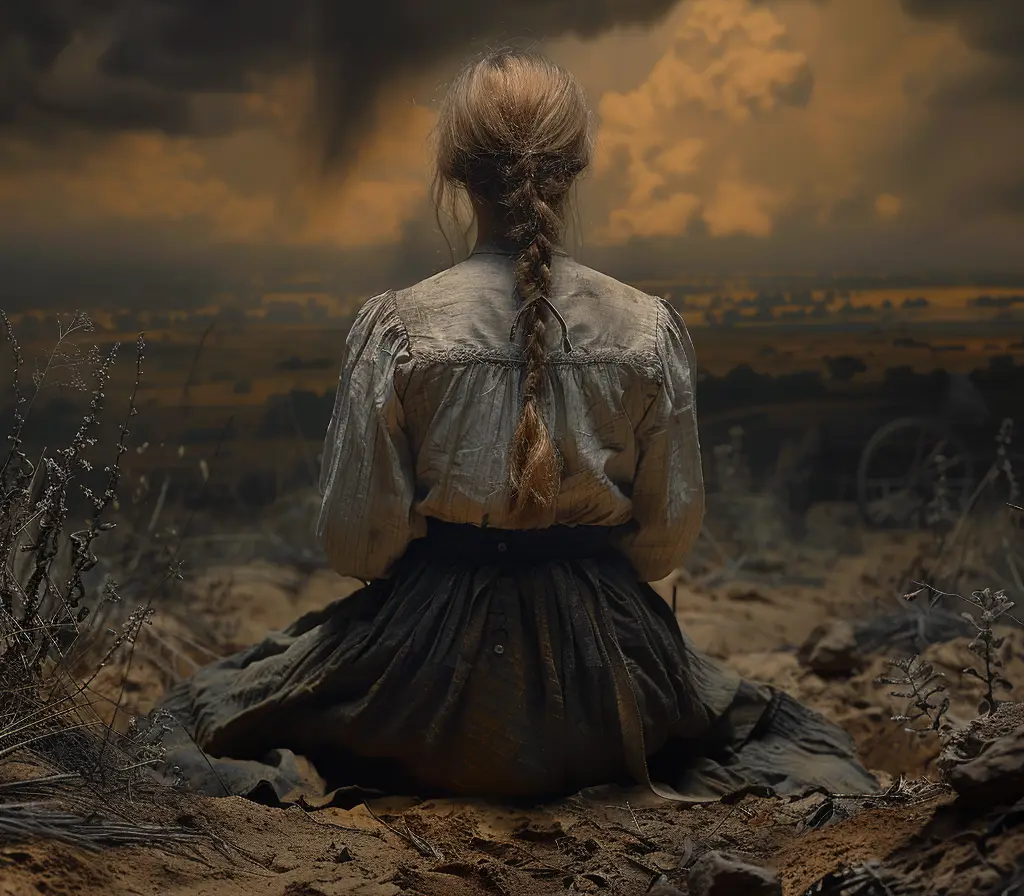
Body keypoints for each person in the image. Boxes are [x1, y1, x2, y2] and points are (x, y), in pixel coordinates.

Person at [153, 49, 878, 806]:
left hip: (424, 682)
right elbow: (667, 539)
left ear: (457, 173)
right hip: (610, 682)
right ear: (577, 167)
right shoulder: (648, 328)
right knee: (756, 730)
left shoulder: (399, 326)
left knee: (217, 701)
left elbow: (356, 541)